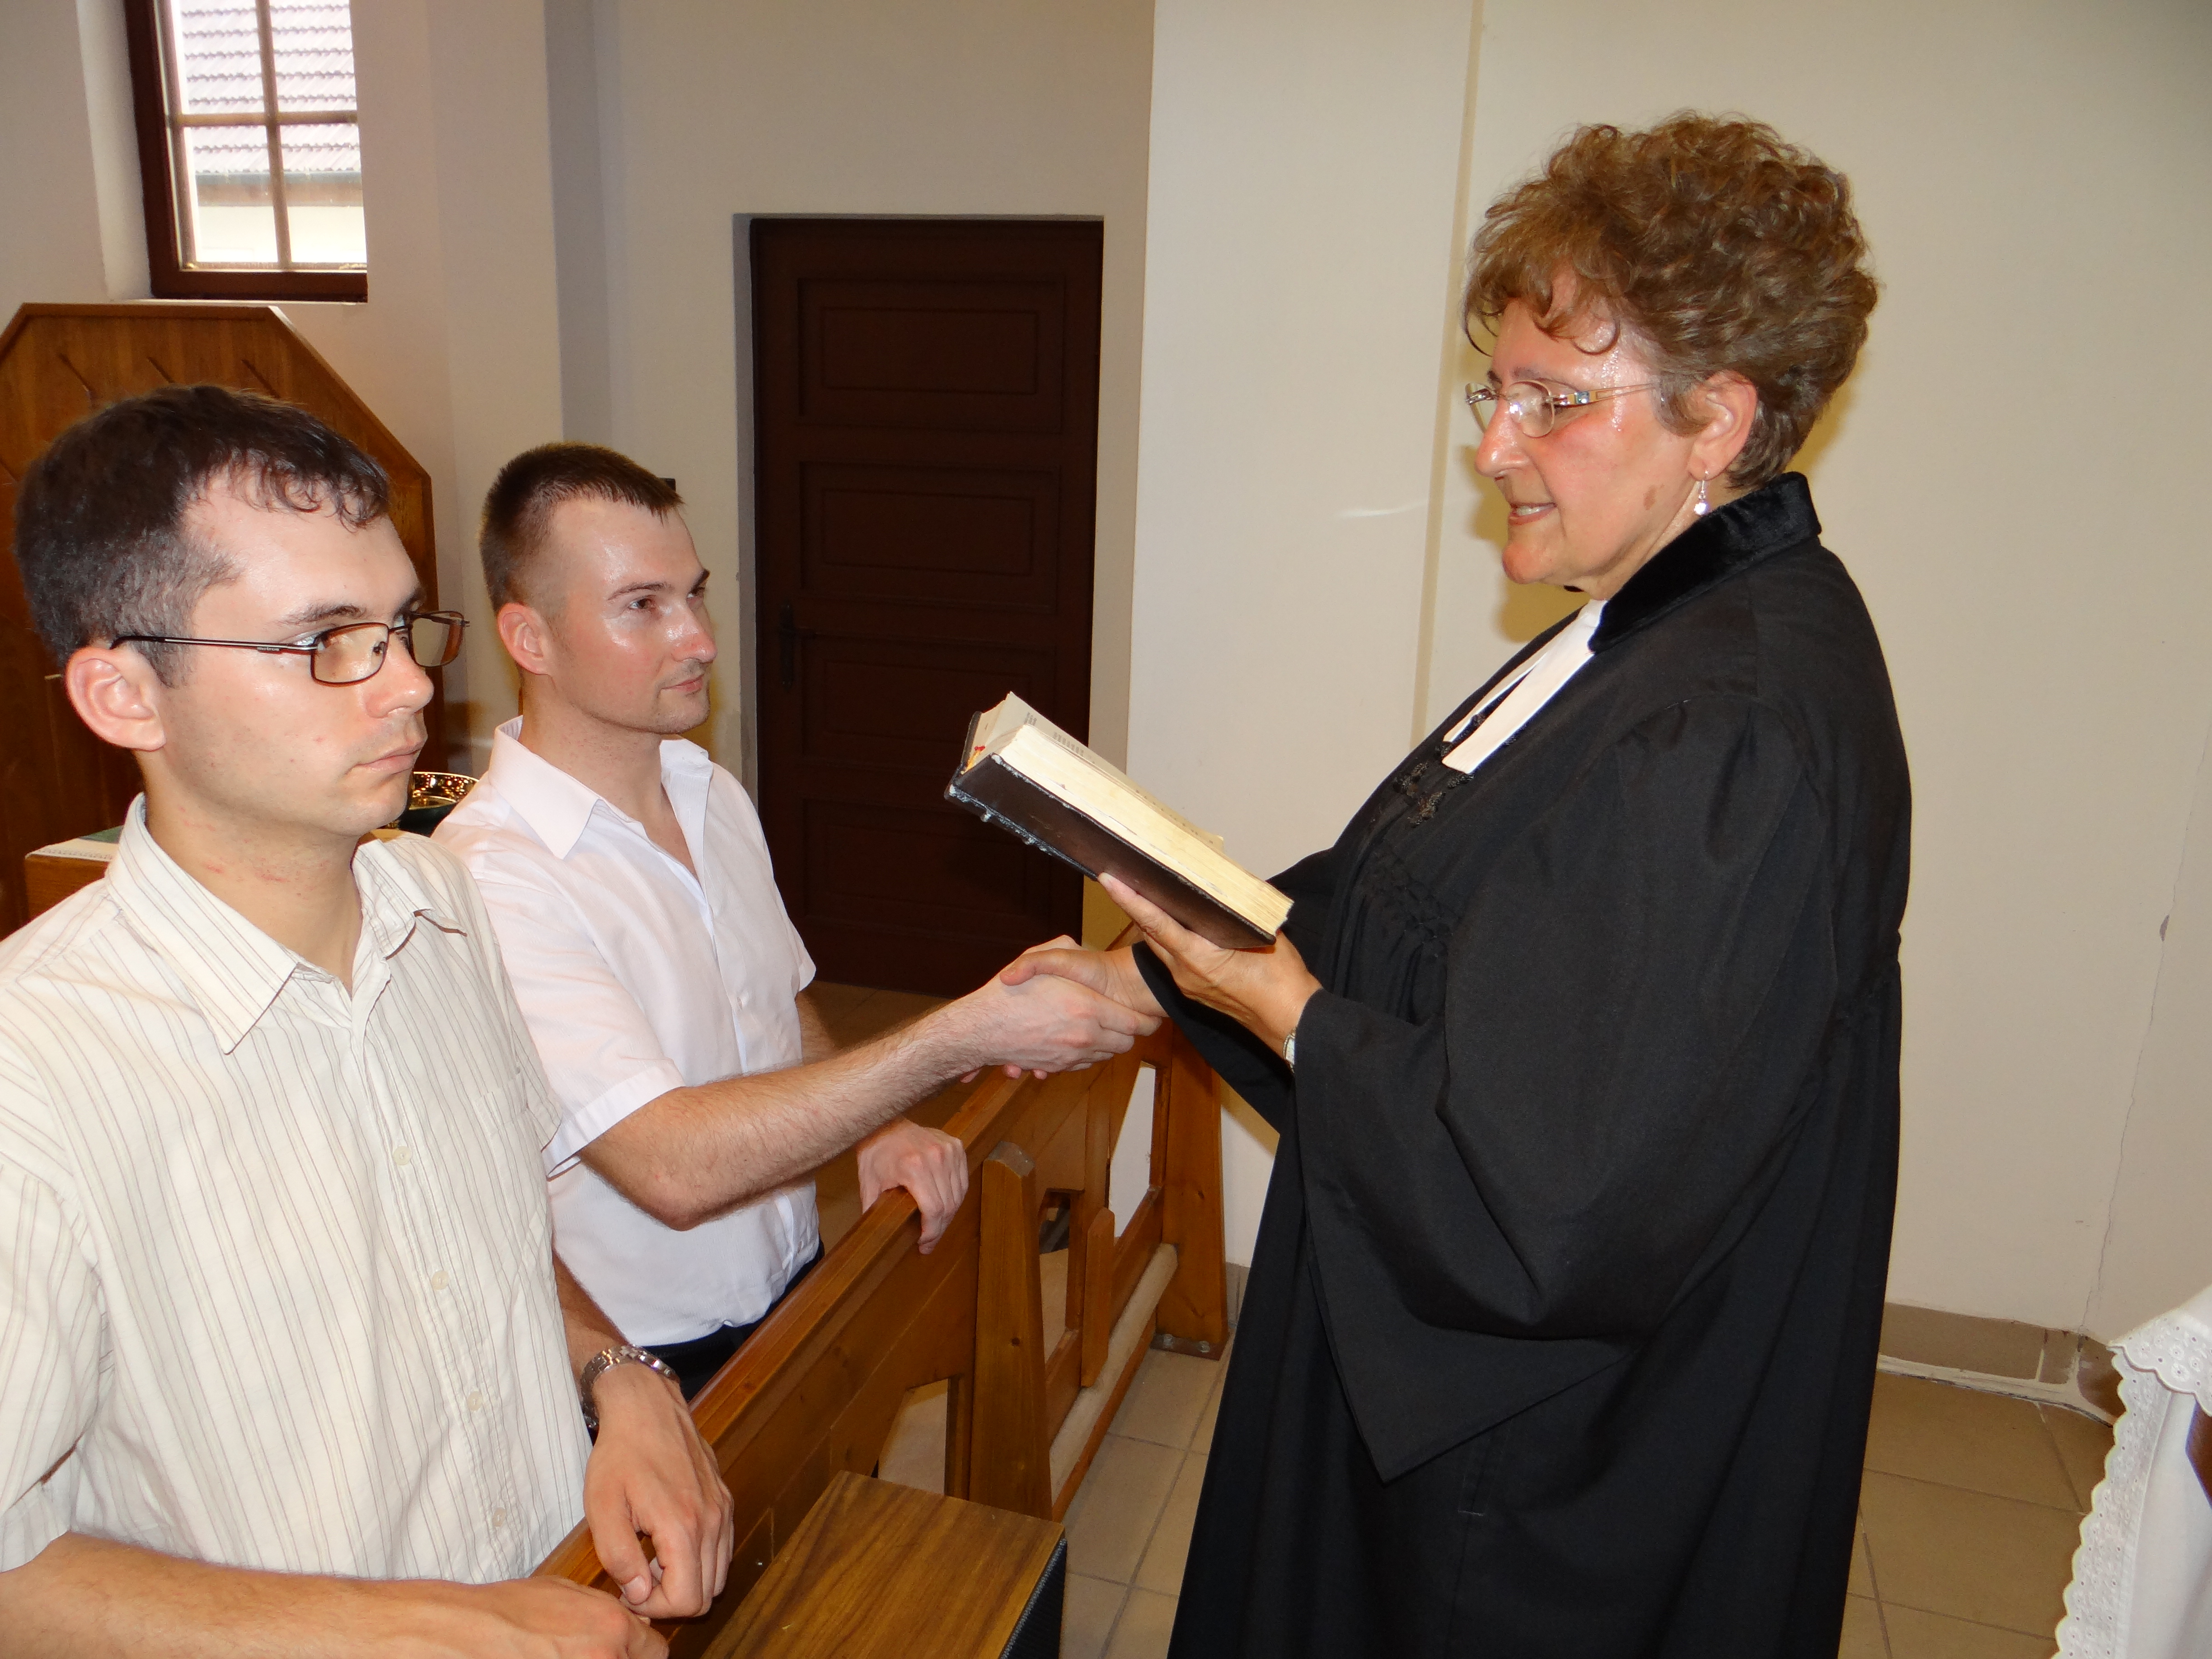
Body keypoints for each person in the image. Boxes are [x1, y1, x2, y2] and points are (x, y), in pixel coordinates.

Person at [1009, 113, 1905, 1656]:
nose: (1495, 447)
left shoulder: (1730, 721)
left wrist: (1289, 1012)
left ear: (1716, 419)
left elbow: (1551, 1200)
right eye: (1498, 392)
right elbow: (1415, 888)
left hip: (1536, 1475)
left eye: (1553, 402)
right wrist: (1149, 966)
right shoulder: (1641, 627)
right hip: (1483, 1405)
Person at [0, 386, 731, 1658]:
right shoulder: (36, 1073)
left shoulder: (441, 900)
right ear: (125, 695)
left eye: (399, 627)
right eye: (326, 641)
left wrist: (621, 1383)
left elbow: (493, 1243)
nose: (407, 688)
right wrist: (431, 1629)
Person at [436, 444, 1152, 1398]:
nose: (699, 639)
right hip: (639, 1356)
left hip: (793, 1277)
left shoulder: (709, 790)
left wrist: (875, 1128)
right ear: (530, 638)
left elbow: (779, 1004)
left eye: (694, 595)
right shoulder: (492, 876)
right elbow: (673, 1167)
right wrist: (960, 1036)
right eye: (642, 605)